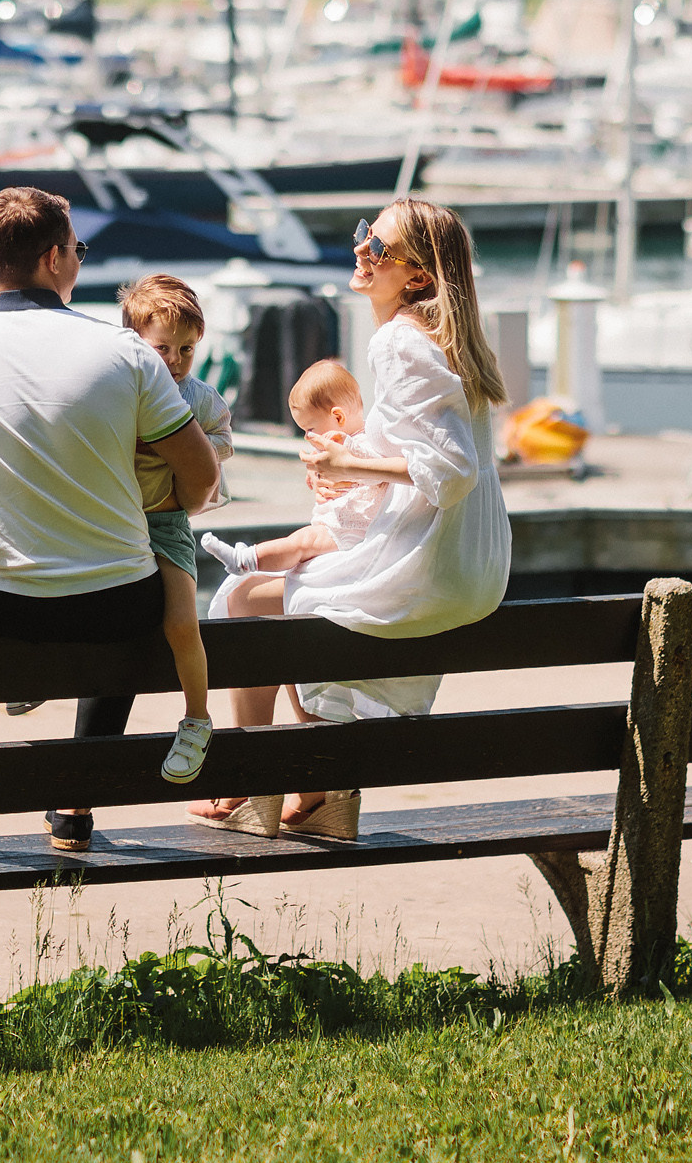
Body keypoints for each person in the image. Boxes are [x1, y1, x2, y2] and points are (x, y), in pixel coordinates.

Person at [0, 186, 220, 857]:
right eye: (77, 252)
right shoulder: (129, 356)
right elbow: (201, 481)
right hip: (122, 604)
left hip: (6, 604)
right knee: (131, 588)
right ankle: (74, 801)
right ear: (56, 258)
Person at [188, 198, 510, 843]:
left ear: (417, 277)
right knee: (293, 591)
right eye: (366, 235)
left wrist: (350, 464)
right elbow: (429, 454)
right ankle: (318, 793)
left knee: (246, 597)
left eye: (381, 248)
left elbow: (450, 471)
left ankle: (257, 783)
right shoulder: (446, 341)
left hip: (430, 568)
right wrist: (350, 461)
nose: (363, 249)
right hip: (475, 568)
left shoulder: (398, 341)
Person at [116, 273, 233, 784]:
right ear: (133, 341)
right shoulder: (116, 389)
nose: (175, 361)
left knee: (182, 621)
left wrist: (190, 448)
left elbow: (224, 439)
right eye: (162, 347)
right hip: (111, 519)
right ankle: (41, 675)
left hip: (164, 523)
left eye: (186, 349)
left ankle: (197, 718)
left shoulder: (199, 398)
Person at [201, 358, 387, 578]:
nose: (307, 436)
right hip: (334, 524)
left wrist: (344, 459)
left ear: (338, 416)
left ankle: (246, 560)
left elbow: (372, 469)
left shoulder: (364, 443)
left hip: (350, 530)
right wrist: (315, 472)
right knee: (299, 544)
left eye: (310, 428)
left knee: (299, 544)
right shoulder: (338, 446)